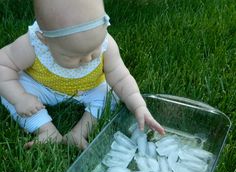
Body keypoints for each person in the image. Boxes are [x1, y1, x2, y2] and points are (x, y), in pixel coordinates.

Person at [0, 0, 164, 150]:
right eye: (72, 56)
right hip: (42, 87)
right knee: (9, 92)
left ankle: (79, 133)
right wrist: (20, 97)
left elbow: (121, 78)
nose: (87, 59)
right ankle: (46, 130)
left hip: (89, 89)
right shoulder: (33, 45)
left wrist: (139, 106)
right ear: (45, 40)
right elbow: (3, 65)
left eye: (94, 50)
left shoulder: (107, 44)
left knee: (111, 94)